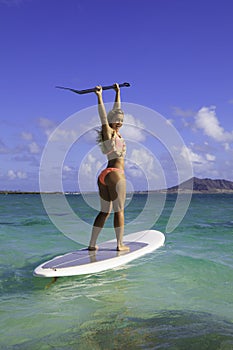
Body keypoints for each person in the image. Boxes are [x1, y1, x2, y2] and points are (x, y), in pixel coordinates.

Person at [88, 83, 130, 252]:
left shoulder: (115, 133)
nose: (119, 122)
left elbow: (116, 110)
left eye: (121, 120)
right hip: (116, 174)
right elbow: (104, 116)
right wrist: (99, 96)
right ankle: (119, 245)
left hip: (104, 175)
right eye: (117, 120)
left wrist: (117, 92)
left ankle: (92, 244)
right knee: (119, 211)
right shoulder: (109, 132)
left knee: (105, 211)